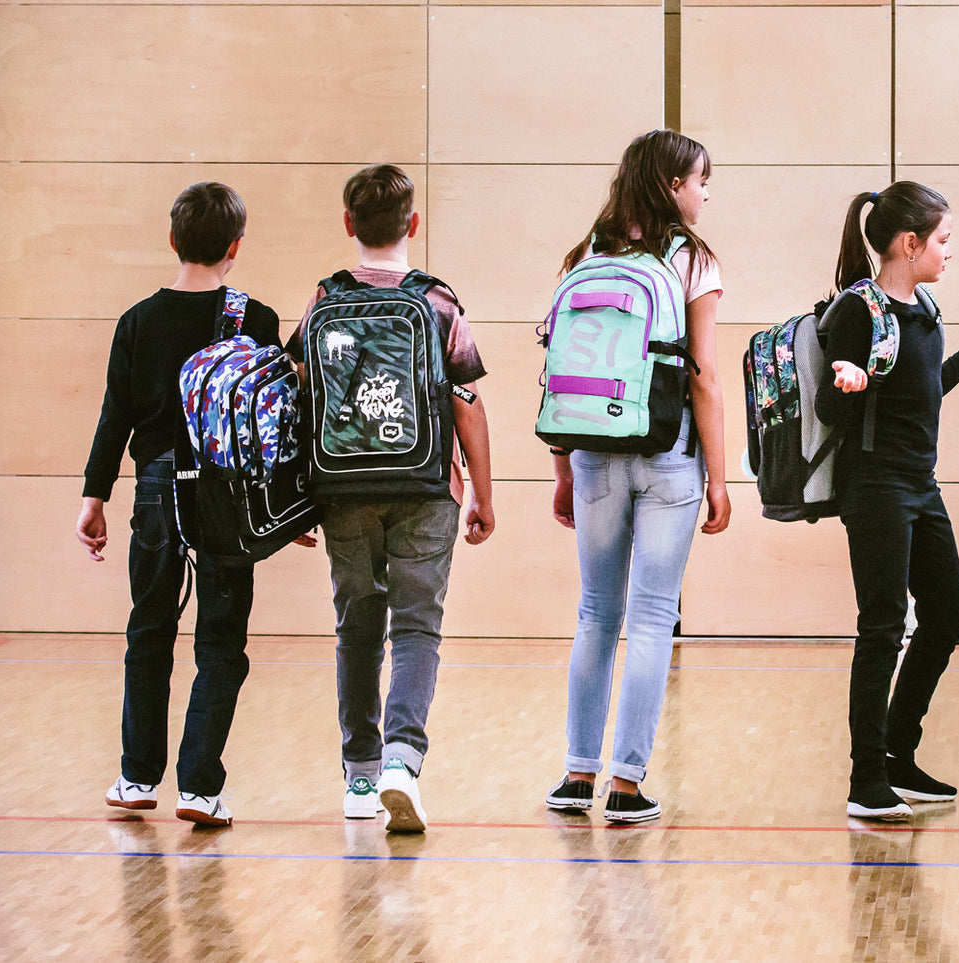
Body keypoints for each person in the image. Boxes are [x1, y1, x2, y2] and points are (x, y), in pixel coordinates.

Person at [289, 164, 495, 832]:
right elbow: (466, 401)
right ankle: (403, 760)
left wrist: (294, 498)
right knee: (415, 625)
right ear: (413, 224)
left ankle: (359, 772)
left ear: (349, 224)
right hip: (425, 485)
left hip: (342, 489)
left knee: (357, 623)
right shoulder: (437, 304)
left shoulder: (322, 303)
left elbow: (297, 399)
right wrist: (482, 496)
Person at [78, 181, 282, 827]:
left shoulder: (137, 320)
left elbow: (115, 417)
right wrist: (288, 509)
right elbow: (272, 423)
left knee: (149, 629)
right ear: (235, 247)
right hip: (227, 499)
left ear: (172, 239)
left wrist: (93, 495)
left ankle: (137, 778)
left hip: (156, 492)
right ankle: (199, 787)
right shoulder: (257, 320)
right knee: (221, 637)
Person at [543, 130, 730, 824]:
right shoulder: (693, 261)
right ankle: (625, 784)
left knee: (595, 613)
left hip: (591, 450)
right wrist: (716, 475)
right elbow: (704, 376)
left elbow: (563, 368)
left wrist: (562, 468)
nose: (705, 193)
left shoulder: (585, 254)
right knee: (651, 616)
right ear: (672, 185)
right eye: (700, 180)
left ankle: (574, 774)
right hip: (665, 450)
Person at [817, 182, 959, 821]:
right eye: (943, 241)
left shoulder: (924, 307)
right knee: (882, 627)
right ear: (909, 243)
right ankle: (866, 779)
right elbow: (828, 408)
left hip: (920, 486)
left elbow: (921, 392)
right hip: (874, 488)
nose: (949, 252)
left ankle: (899, 753)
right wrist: (846, 382)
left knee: (947, 617)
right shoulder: (857, 311)